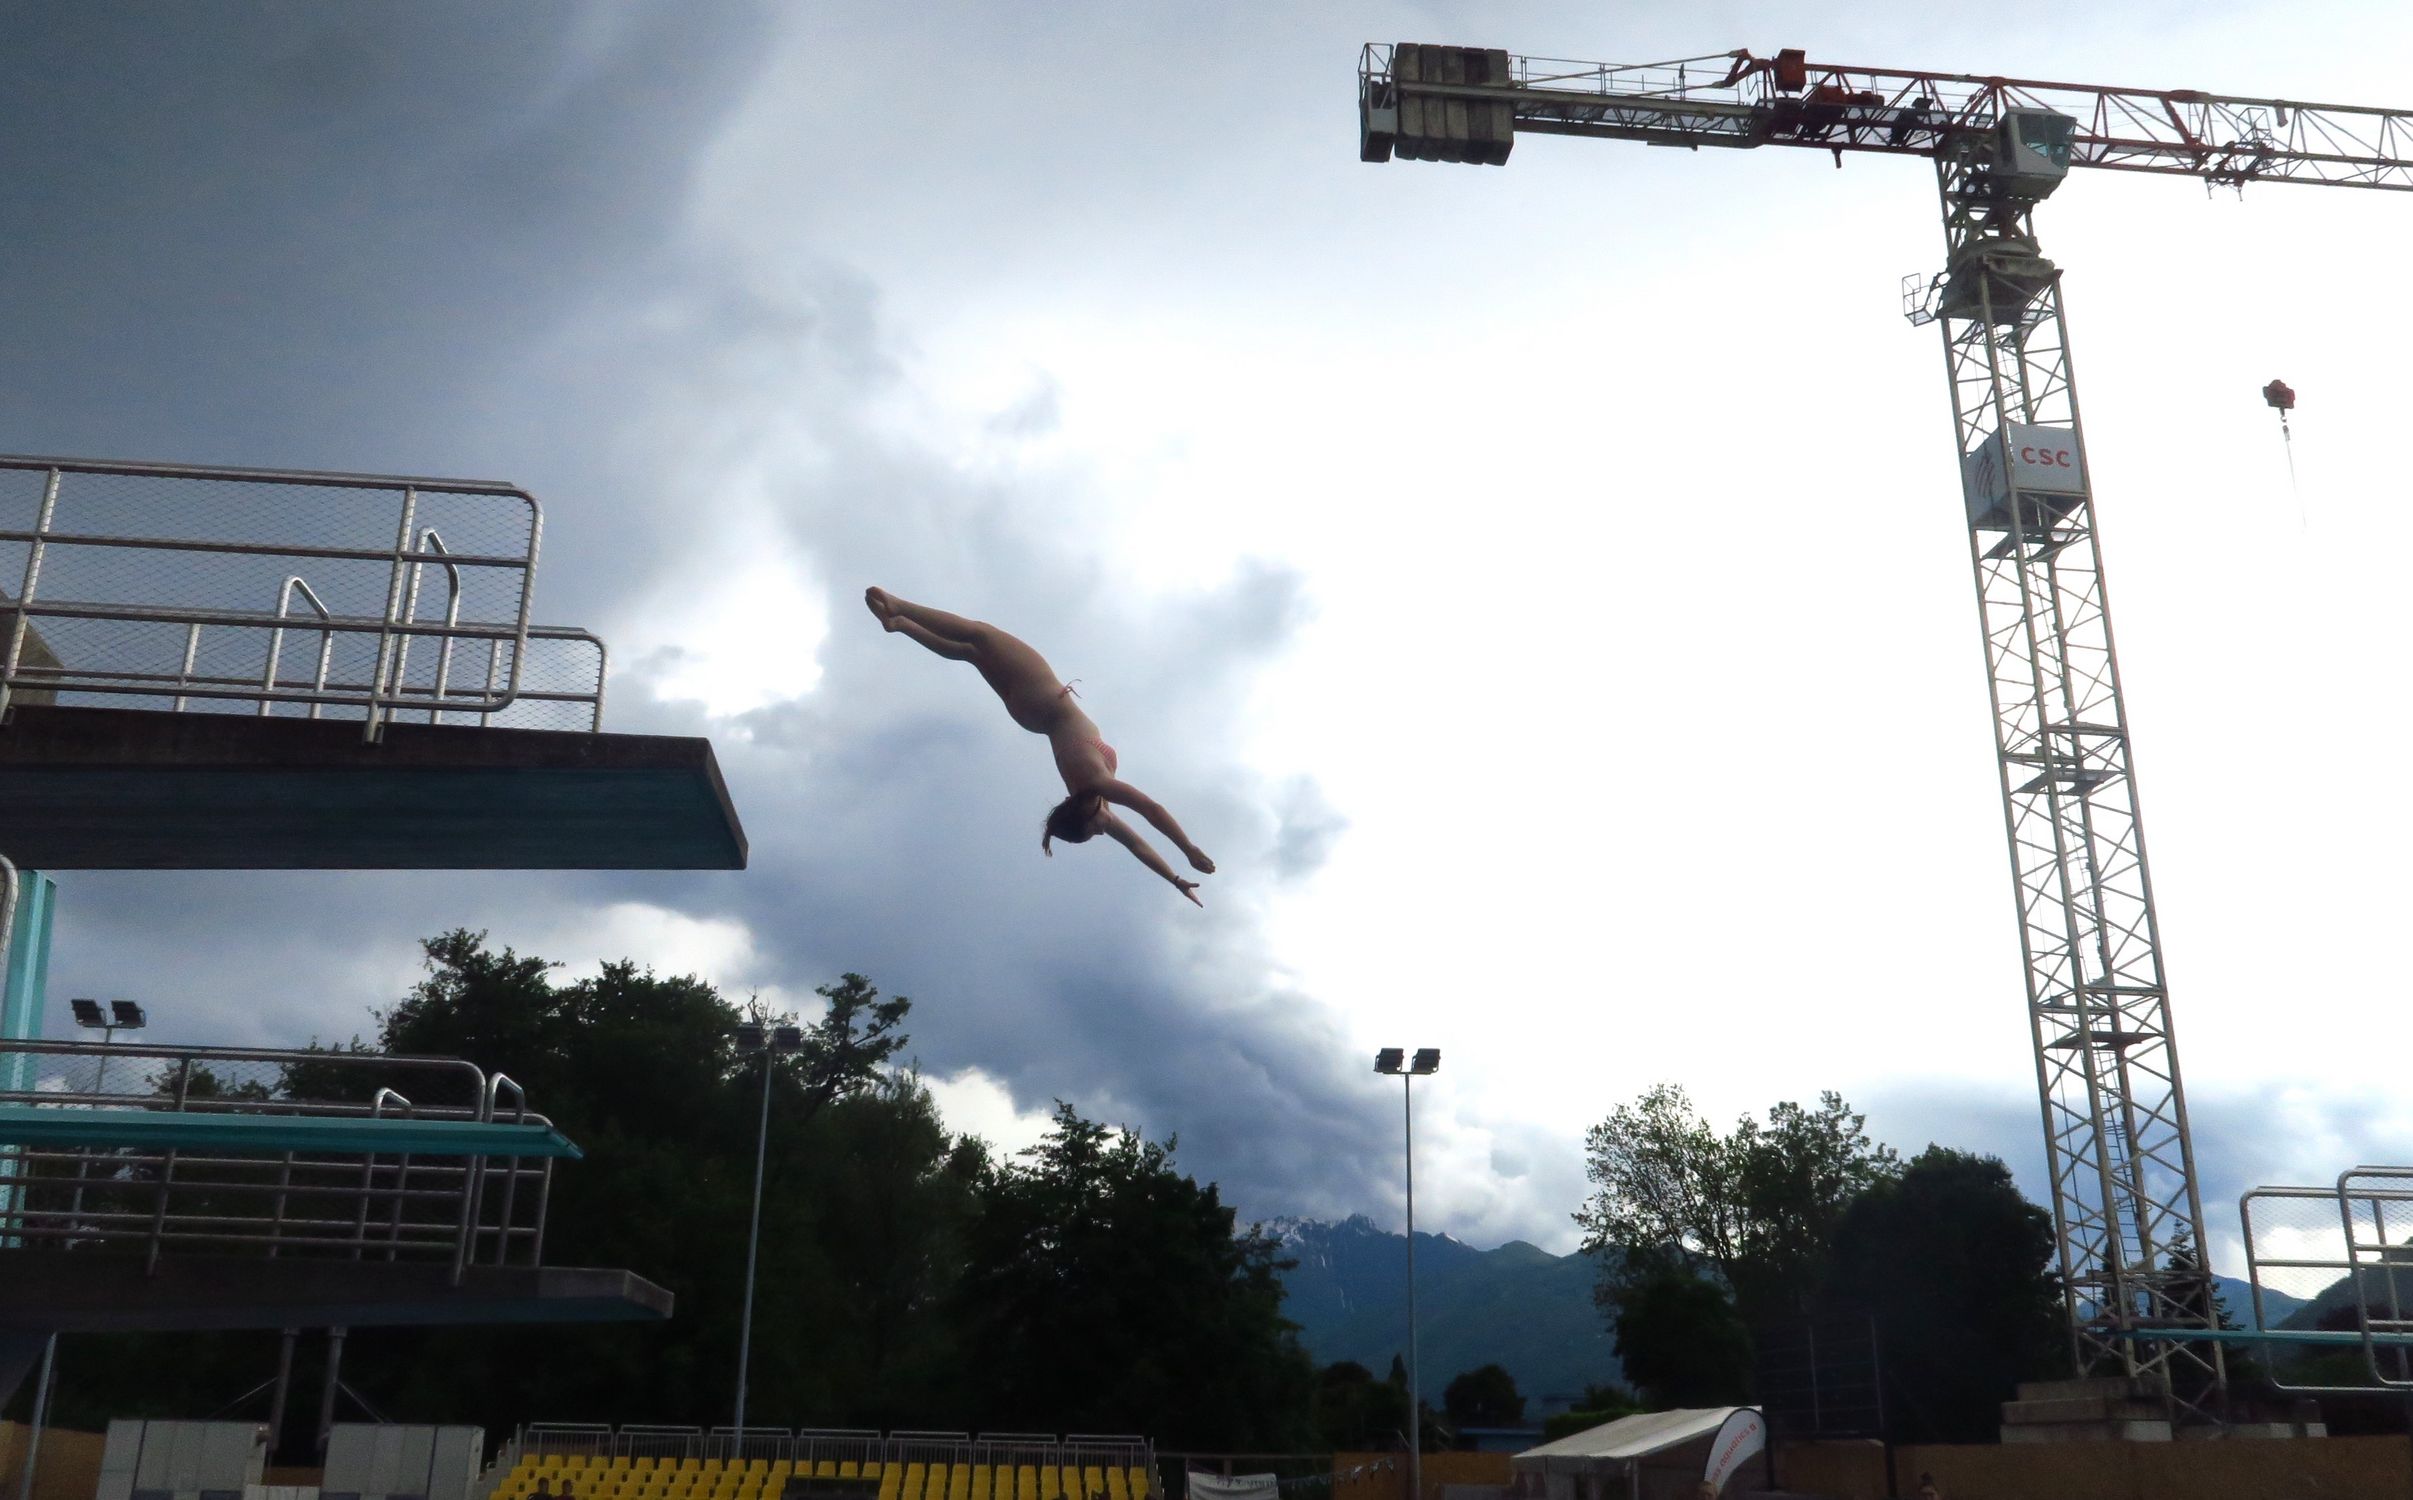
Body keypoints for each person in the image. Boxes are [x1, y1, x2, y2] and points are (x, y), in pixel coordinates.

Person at [866, 588, 1216, 904]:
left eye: (1095, 830)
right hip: (1031, 714)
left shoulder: (1095, 785)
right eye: (1098, 832)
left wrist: (1189, 849)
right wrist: (1176, 878)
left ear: (1083, 815)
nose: (1102, 830)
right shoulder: (1095, 795)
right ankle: (901, 623)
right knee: (970, 651)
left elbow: (1151, 810)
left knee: (980, 634)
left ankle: (900, 606)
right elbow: (1137, 844)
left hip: (1041, 699)